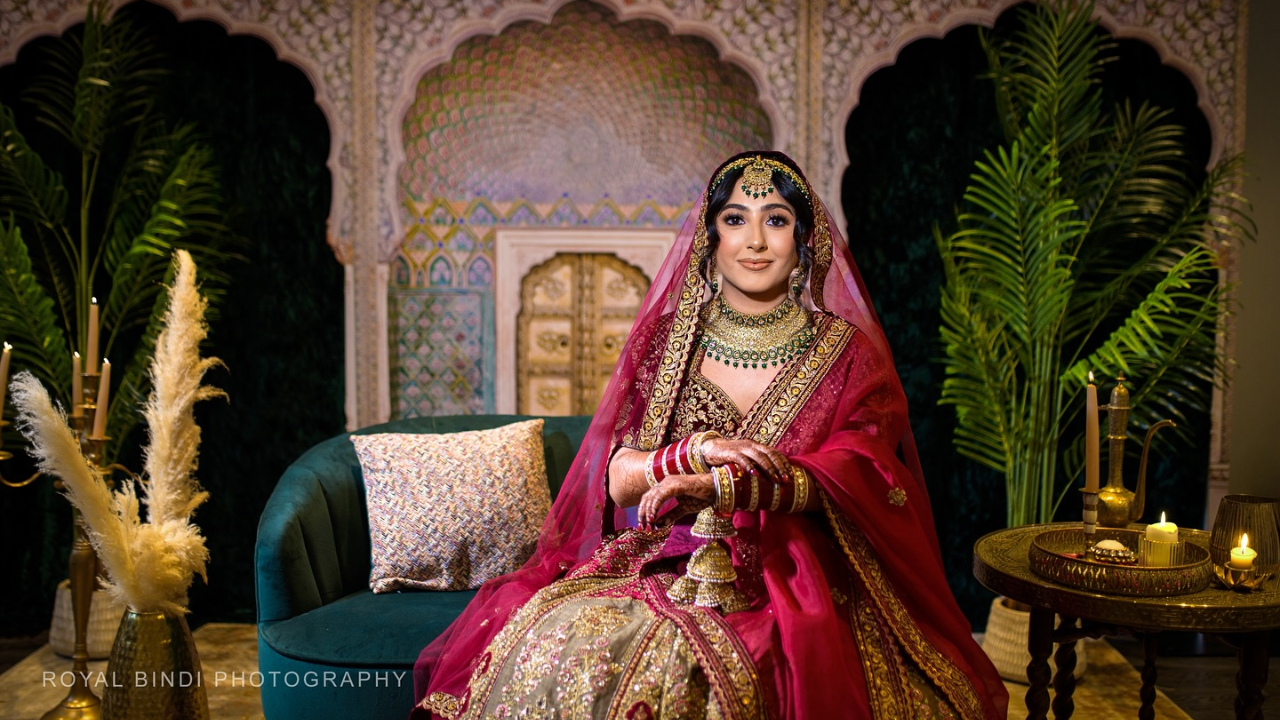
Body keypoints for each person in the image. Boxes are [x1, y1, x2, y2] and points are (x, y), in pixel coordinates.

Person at [410, 151, 1008, 720]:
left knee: (756, 662)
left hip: (796, 569)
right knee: (568, 645)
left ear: (804, 242)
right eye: (734, 219)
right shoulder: (664, 342)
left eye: (776, 220)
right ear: (711, 239)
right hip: (662, 559)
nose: (754, 241)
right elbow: (619, 481)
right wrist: (693, 453)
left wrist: (733, 485)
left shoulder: (847, 354)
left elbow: (868, 471)